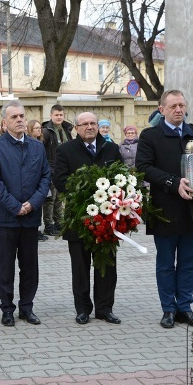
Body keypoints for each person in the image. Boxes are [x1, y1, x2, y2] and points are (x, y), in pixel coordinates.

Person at [135, 89, 193, 329]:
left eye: (182, 105)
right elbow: (143, 167)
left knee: (188, 263)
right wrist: (173, 183)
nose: (178, 110)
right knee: (166, 264)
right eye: (173, 106)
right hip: (166, 210)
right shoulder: (151, 136)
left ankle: (185, 307)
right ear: (161, 109)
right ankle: (168, 310)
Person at [0, 100, 51, 327]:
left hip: (30, 218)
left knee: (30, 266)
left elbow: (45, 177)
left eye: (22, 116)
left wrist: (32, 204)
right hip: (5, 219)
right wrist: (15, 206)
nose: (20, 120)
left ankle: (27, 307)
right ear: (4, 123)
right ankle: (7, 309)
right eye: (14, 117)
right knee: (6, 267)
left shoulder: (37, 147)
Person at [54, 112, 123, 325]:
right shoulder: (65, 150)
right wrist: (85, 193)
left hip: (107, 217)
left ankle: (104, 308)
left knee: (107, 266)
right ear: (76, 127)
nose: (89, 127)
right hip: (78, 218)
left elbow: (121, 176)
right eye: (84, 124)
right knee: (80, 267)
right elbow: (60, 180)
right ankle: (83, 309)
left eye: (93, 123)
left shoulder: (111, 148)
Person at [41, 104, 73, 237]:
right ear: (51, 115)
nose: (59, 117)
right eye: (56, 115)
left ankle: (58, 222)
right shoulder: (47, 131)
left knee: (60, 198)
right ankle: (48, 225)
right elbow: (42, 151)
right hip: (51, 169)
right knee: (50, 199)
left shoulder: (67, 129)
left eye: (61, 115)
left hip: (64, 169)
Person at [27, 119, 49, 242]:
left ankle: (38, 229)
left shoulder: (40, 143)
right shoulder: (29, 144)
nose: (39, 130)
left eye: (40, 128)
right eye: (36, 128)